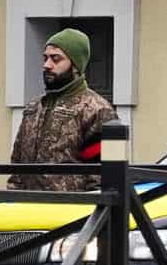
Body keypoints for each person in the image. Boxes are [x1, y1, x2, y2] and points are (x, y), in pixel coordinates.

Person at [9, 28, 113, 195]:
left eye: (56, 59)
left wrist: (90, 209)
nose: (47, 65)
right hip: (26, 207)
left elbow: (101, 177)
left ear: (76, 66)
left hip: (71, 208)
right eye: (46, 58)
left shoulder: (97, 110)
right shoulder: (33, 108)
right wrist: (12, 198)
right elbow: (16, 166)